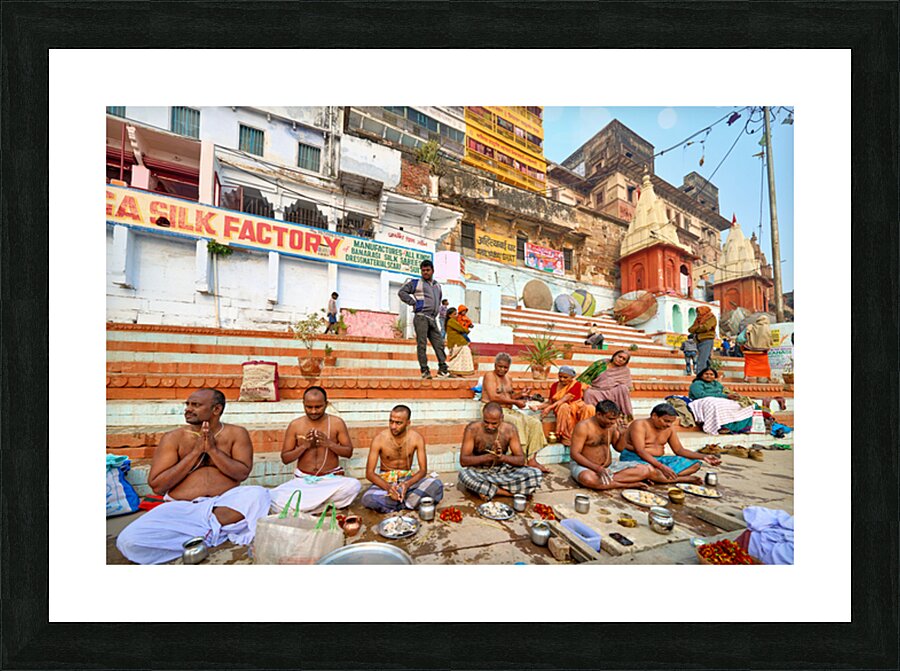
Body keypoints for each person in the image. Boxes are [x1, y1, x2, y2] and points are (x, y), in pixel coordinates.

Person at [116, 389, 271, 564]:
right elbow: (158, 486)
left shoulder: (236, 434)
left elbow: (242, 473)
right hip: (182, 508)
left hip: (222, 505)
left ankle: (198, 535)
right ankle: (211, 534)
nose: (188, 409)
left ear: (216, 410)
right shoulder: (173, 438)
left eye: (195, 405)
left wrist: (212, 450)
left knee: (258, 494)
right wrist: (195, 452)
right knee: (128, 541)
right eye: (187, 404)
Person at [268, 386, 361, 513]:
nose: (313, 411)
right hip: (303, 481)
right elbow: (285, 458)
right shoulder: (295, 425)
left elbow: (348, 453)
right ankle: (322, 507)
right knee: (273, 497)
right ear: (303, 404)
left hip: (330, 480)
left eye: (318, 407)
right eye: (309, 407)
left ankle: (305, 508)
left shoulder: (336, 423)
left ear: (326, 404)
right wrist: (304, 446)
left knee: (354, 486)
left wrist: (329, 444)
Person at [361, 405, 444, 513]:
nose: (393, 426)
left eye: (398, 423)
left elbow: (423, 470)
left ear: (408, 423)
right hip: (386, 481)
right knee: (368, 498)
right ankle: (408, 502)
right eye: (391, 421)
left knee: (436, 485)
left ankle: (395, 504)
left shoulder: (416, 438)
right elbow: (369, 474)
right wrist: (389, 489)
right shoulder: (379, 439)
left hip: (408, 480)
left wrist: (407, 484)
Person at [616, 403, 721, 484]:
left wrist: (704, 456)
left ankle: (660, 478)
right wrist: (662, 467)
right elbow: (640, 450)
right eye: (666, 421)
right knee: (647, 470)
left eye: (671, 422)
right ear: (654, 416)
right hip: (636, 459)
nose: (669, 425)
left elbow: (679, 450)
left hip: (658, 461)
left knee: (696, 464)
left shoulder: (669, 428)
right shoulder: (639, 424)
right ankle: (676, 479)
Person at [457, 402, 543, 500]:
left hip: (502, 470)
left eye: (494, 423)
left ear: (501, 418)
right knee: (464, 476)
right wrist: (489, 456)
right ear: (483, 416)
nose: (489, 426)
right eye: (486, 422)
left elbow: (520, 460)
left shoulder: (510, 430)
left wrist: (502, 457)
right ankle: (507, 493)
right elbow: (463, 461)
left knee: (535, 473)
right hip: (479, 471)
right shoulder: (472, 429)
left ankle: (487, 489)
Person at [481, 352, 549, 473]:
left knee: (535, 423)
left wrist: (521, 395)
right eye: (499, 366)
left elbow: (509, 395)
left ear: (509, 367)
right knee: (516, 423)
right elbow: (493, 397)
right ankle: (519, 458)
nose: (502, 369)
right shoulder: (489, 376)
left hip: (508, 410)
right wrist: (515, 402)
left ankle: (532, 459)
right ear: (495, 365)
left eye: (505, 367)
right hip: (493, 411)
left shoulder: (509, 378)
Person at [568, 400, 654, 490]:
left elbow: (619, 448)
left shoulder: (611, 426)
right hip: (585, 467)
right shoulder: (583, 427)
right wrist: (597, 469)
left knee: (645, 470)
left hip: (608, 467)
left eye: (615, 419)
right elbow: (574, 454)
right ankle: (628, 484)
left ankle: (606, 482)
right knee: (588, 479)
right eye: (610, 419)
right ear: (599, 414)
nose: (613, 422)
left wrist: (623, 434)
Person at [398, 259, 450, 380]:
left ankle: (442, 369)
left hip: (433, 318)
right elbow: (402, 292)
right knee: (422, 345)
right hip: (421, 317)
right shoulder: (416, 283)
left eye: (428, 270)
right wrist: (413, 302)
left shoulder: (438, 286)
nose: (425, 272)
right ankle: (424, 370)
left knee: (439, 344)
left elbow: (438, 300)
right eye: (423, 270)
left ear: (432, 271)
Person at [535, 366, 595, 446]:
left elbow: (566, 398)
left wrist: (549, 408)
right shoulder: (554, 386)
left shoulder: (576, 384)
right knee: (564, 407)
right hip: (562, 408)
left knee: (590, 408)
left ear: (572, 377)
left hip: (577, 407)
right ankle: (566, 436)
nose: (562, 379)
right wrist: (537, 407)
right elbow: (551, 402)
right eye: (560, 376)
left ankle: (585, 435)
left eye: (565, 377)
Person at [688, 367, 754, 435]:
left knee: (742, 404)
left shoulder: (717, 384)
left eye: (711, 374)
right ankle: (721, 427)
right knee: (716, 404)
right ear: (701, 375)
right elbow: (700, 395)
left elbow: (724, 391)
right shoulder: (697, 384)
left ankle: (743, 428)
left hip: (719, 399)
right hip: (701, 401)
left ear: (715, 376)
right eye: (706, 374)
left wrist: (733, 395)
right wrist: (725, 396)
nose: (709, 376)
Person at [581, 350, 634, 422]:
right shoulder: (601, 363)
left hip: (613, 391)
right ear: (614, 356)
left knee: (623, 388)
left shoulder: (625, 370)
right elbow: (587, 376)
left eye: (624, 359)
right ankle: (594, 414)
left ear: (626, 362)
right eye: (619, 356)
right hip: (597, 390)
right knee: (588, 392)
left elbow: (628, 386)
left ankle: (624, 415)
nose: (620, 359)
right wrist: (586, 384)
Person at [741, 314, 773, 382]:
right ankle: (768, 377)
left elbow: (746, 335)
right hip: (763, 351)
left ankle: (746, 377)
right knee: (765, 364)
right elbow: (770, 339)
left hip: (750, 349)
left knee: (749, 364)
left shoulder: (751, 326)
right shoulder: (767, 328)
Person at [444, 307, 475, 377]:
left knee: (461, 356)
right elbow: (460, 328)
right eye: (454, 314)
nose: (456, 315)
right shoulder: (451, 321)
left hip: (459, 342)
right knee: (458, 356)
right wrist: (467, 330)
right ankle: (451, 370)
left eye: (456, 314)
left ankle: (458, 371)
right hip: (456, 343)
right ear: (450, 315)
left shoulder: (455, 321)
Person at [688, 305, 717, 372]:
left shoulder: (711, 317)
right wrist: (699, 327)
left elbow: (706, 327)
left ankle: (700, 376)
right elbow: (690, 329)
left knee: (702, 360)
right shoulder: (698, 319)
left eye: (699, 312)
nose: (698, 314)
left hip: (707, 340)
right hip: (699, 341)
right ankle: (706, 375)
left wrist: (696, 329)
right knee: (705, 360)